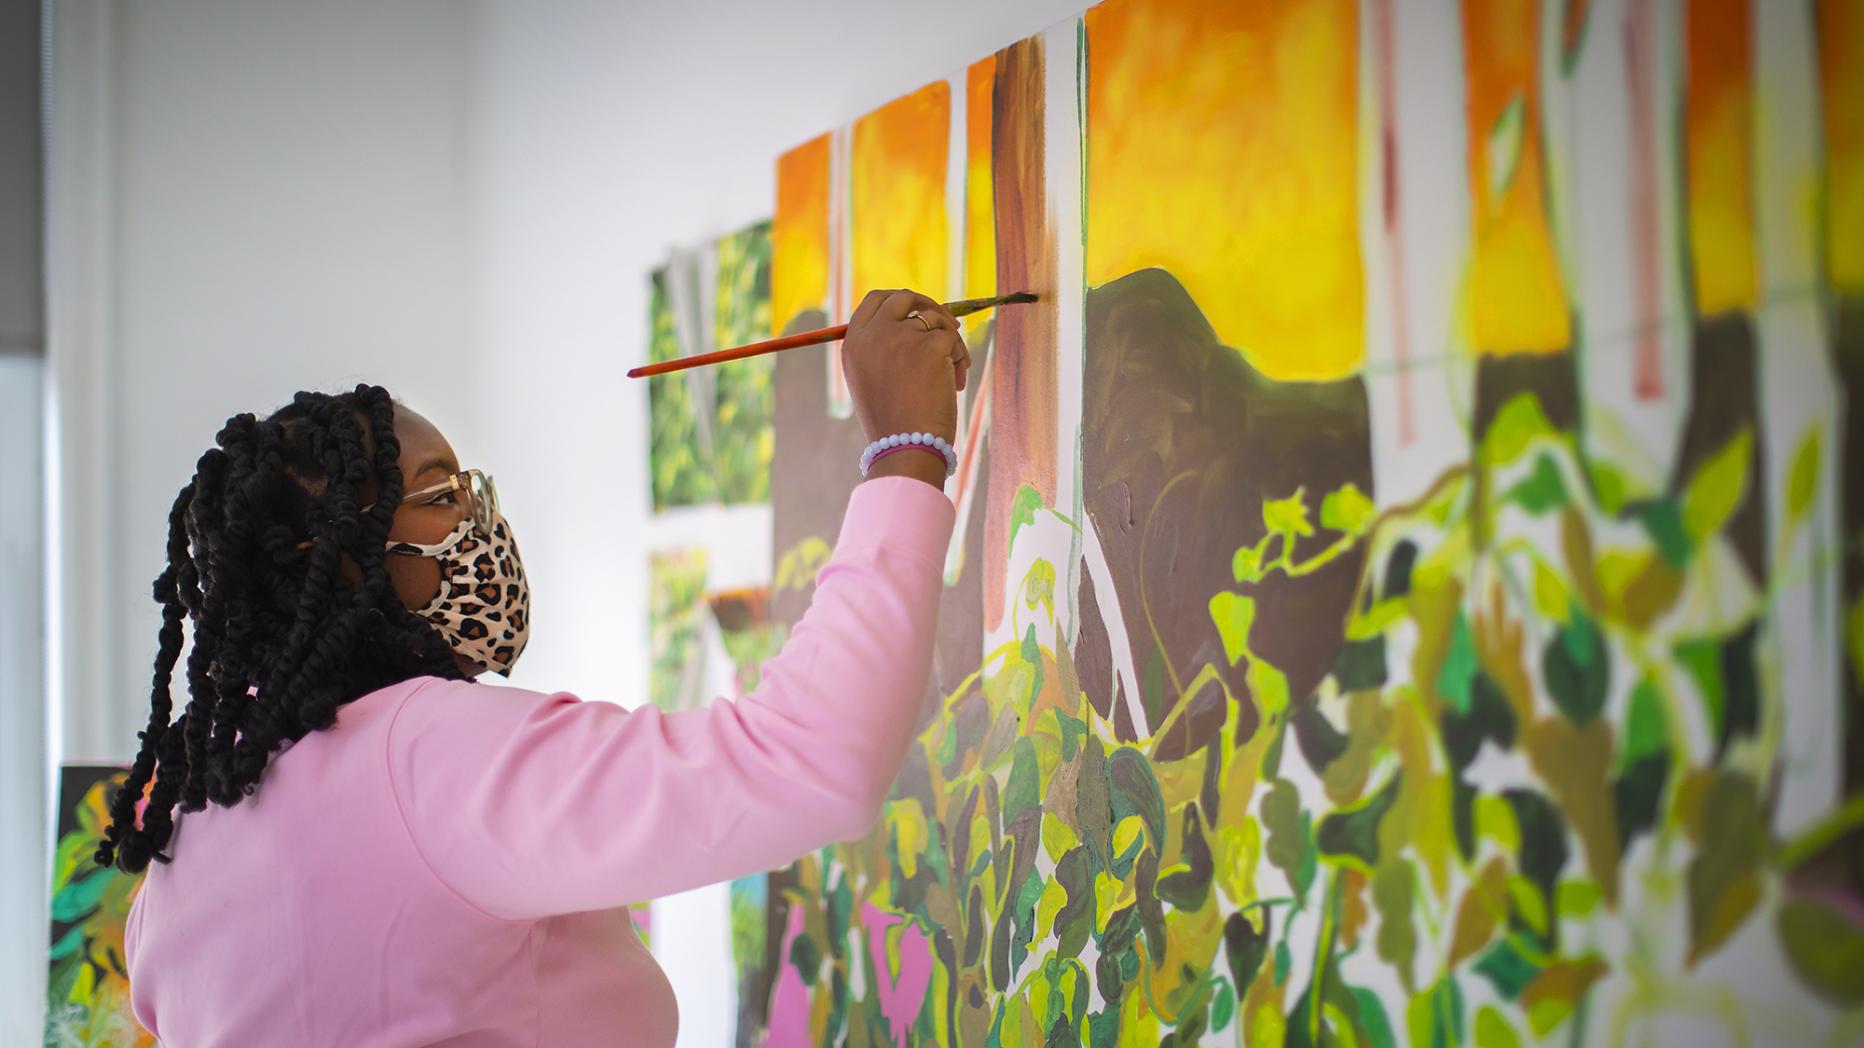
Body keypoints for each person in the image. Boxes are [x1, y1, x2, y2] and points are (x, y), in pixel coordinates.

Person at [104, 289, 971, 1046]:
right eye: (443, 498)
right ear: (327, 555)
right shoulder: (429, 757)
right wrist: (904, 451)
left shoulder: (189, 839)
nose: (481, 524)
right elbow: (807, 761)